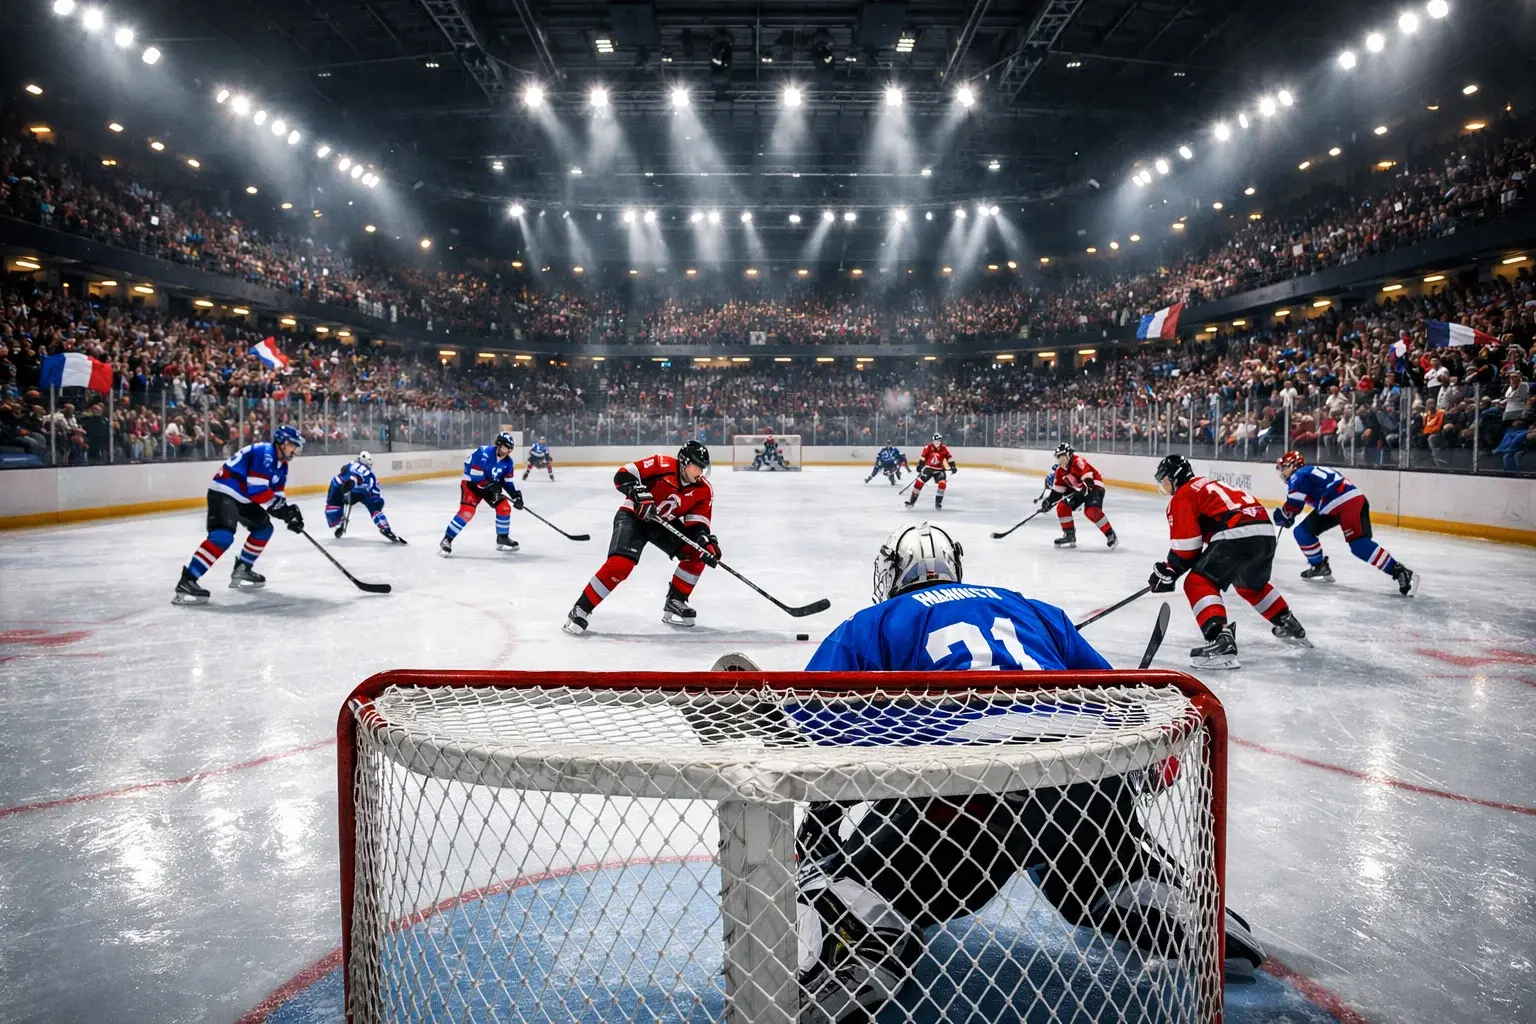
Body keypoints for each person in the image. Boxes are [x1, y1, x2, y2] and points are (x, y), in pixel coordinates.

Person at [794, 522, 1264, 1022]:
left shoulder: (874, 621)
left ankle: (855, 945)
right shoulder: (1032, 608)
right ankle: (1163, 898)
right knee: (1094, 879)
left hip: (966, 798)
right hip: (1078, 786)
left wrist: (820, 831)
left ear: (892, 572)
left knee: (844, 882)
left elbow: (821, 729)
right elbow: (1121, 696)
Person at [1148, 454, 1310, 669]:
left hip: (1236, 532)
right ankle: (1286, 621)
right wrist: (1171, 571)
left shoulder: (1184, 494)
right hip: (1264, 532)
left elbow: (1187, 548)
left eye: (1165, 480)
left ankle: (1220, 640)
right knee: (1250, 585)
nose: (1165, 486)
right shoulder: (1210, 484)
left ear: (1175, 477)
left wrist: (1169, 571)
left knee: (1197, 582)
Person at [562, 440, 720, 634]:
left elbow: (697, 525)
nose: (701, 473)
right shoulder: (661, 465)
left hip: (662, 523)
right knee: (620, 565)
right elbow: (622, 475)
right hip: (633, 517)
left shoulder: (703, 490)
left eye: (704, 469)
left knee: (697, 552)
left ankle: (676, 600)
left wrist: (705, 541)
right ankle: (581, 608)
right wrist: (637, 493)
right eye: (698, 467)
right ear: (684, 462)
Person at [172, 425, 306, 605]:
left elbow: (276, 494)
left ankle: (242, 569)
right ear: (282, 443)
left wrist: (289, 513)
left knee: (264, 529)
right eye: (293, 445)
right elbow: (257, 491)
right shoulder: (265, 453)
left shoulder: (282, 465)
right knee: (222, 537)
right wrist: (281, 510)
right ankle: (187, 581)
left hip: (243, 498)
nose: (295, 449)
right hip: (224, 492)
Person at [1272, 451, 1415, 595]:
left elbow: (1294, 506)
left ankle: (1399, 570)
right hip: (1333, 505)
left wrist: (1284, 515)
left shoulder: (1298, 475)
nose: (1282, 472)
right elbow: (1296, 505)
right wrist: (1288, 515)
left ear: (1293, 465)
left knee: (1359, 545)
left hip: (1347, 503)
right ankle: (1319, 566)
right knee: (1302, 531)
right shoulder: (1307, 472)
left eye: (1284, 467)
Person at [439, 432, 522, 556]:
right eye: (505, 448)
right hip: (471, 485)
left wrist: (516, 496)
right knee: (467, 512)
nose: (506, 452)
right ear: (498, 444)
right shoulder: (484, 453)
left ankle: (502, 537)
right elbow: (475, 475)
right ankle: (447, 540)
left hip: (488, 488)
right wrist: (491, 485)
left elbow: (507, 483)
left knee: (504, 507)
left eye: (509, 450)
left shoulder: (508, 463)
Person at [1040, 443, 1117, 549]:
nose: (1060, 460)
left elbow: (1088, 479)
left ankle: (1110, 534)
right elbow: (1057, 492)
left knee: (1091, 511)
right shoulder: (1060, 471)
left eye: (1062, 457)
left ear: (1068, 455)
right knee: (1062, 506)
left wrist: (1081, 489)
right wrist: (1049, 501)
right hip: (1079, 490)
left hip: (1094, 487)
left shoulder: (1078, 462)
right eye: (1058, 457)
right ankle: (1069, 535)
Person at [325, 451, 405, 544]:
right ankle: (385, 527)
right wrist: (378, 503)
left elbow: (342, 471)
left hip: (345, 489)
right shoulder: (371, 476)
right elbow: (375, 492)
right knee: (375, 506)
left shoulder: (350, 464)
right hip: (362, 492)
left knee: (336, 498)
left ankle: (339, 523)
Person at [903, 433, 957, 509]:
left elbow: (949, 458)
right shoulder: (928, 447)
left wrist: (953, 466)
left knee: (942, 484)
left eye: (939, 440)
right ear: (933, 440)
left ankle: (938, 503)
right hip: (928, 468)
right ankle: (912, 502)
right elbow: (923, 457)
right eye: (936, 440)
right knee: (918, 483)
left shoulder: (944, 448)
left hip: (939, 470)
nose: (937, 442)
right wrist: (920, 465)